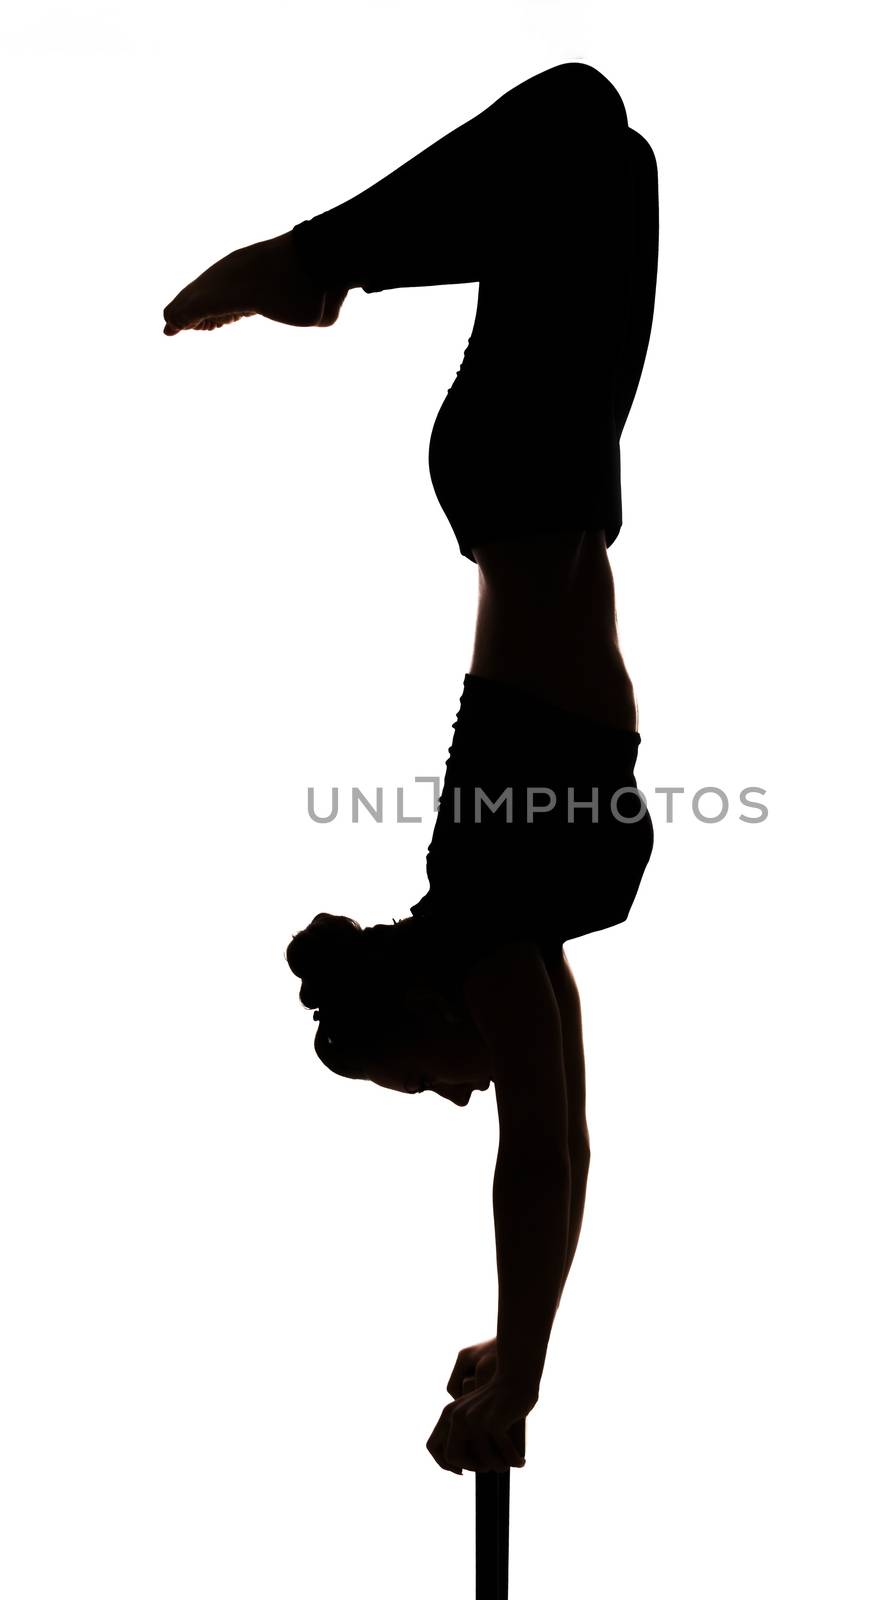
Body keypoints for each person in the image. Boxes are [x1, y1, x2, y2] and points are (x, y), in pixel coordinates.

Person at [162, 62, 659, 1477]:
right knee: (601, 153)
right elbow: (559, 1141)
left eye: (425, 1079)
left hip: (525, 476)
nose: (457, 1098)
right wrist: (513, 1343)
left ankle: (316, 264)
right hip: (532, 484)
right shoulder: (508, 930)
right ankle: (325, 266)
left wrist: (526, 1376)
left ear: (432, 1003)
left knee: (579, 120)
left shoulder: (492, 933)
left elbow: (548, 1156)